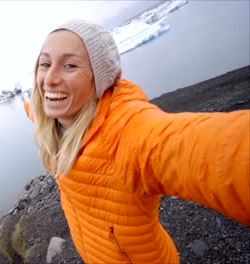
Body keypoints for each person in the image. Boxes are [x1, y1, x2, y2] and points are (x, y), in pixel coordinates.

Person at [21, 19, 249, 264]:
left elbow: (210, 149)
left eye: (69, 65)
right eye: (45, 64)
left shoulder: (128, 134)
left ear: (99, 79)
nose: (50, 78)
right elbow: (33, 110)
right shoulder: (54, 122)